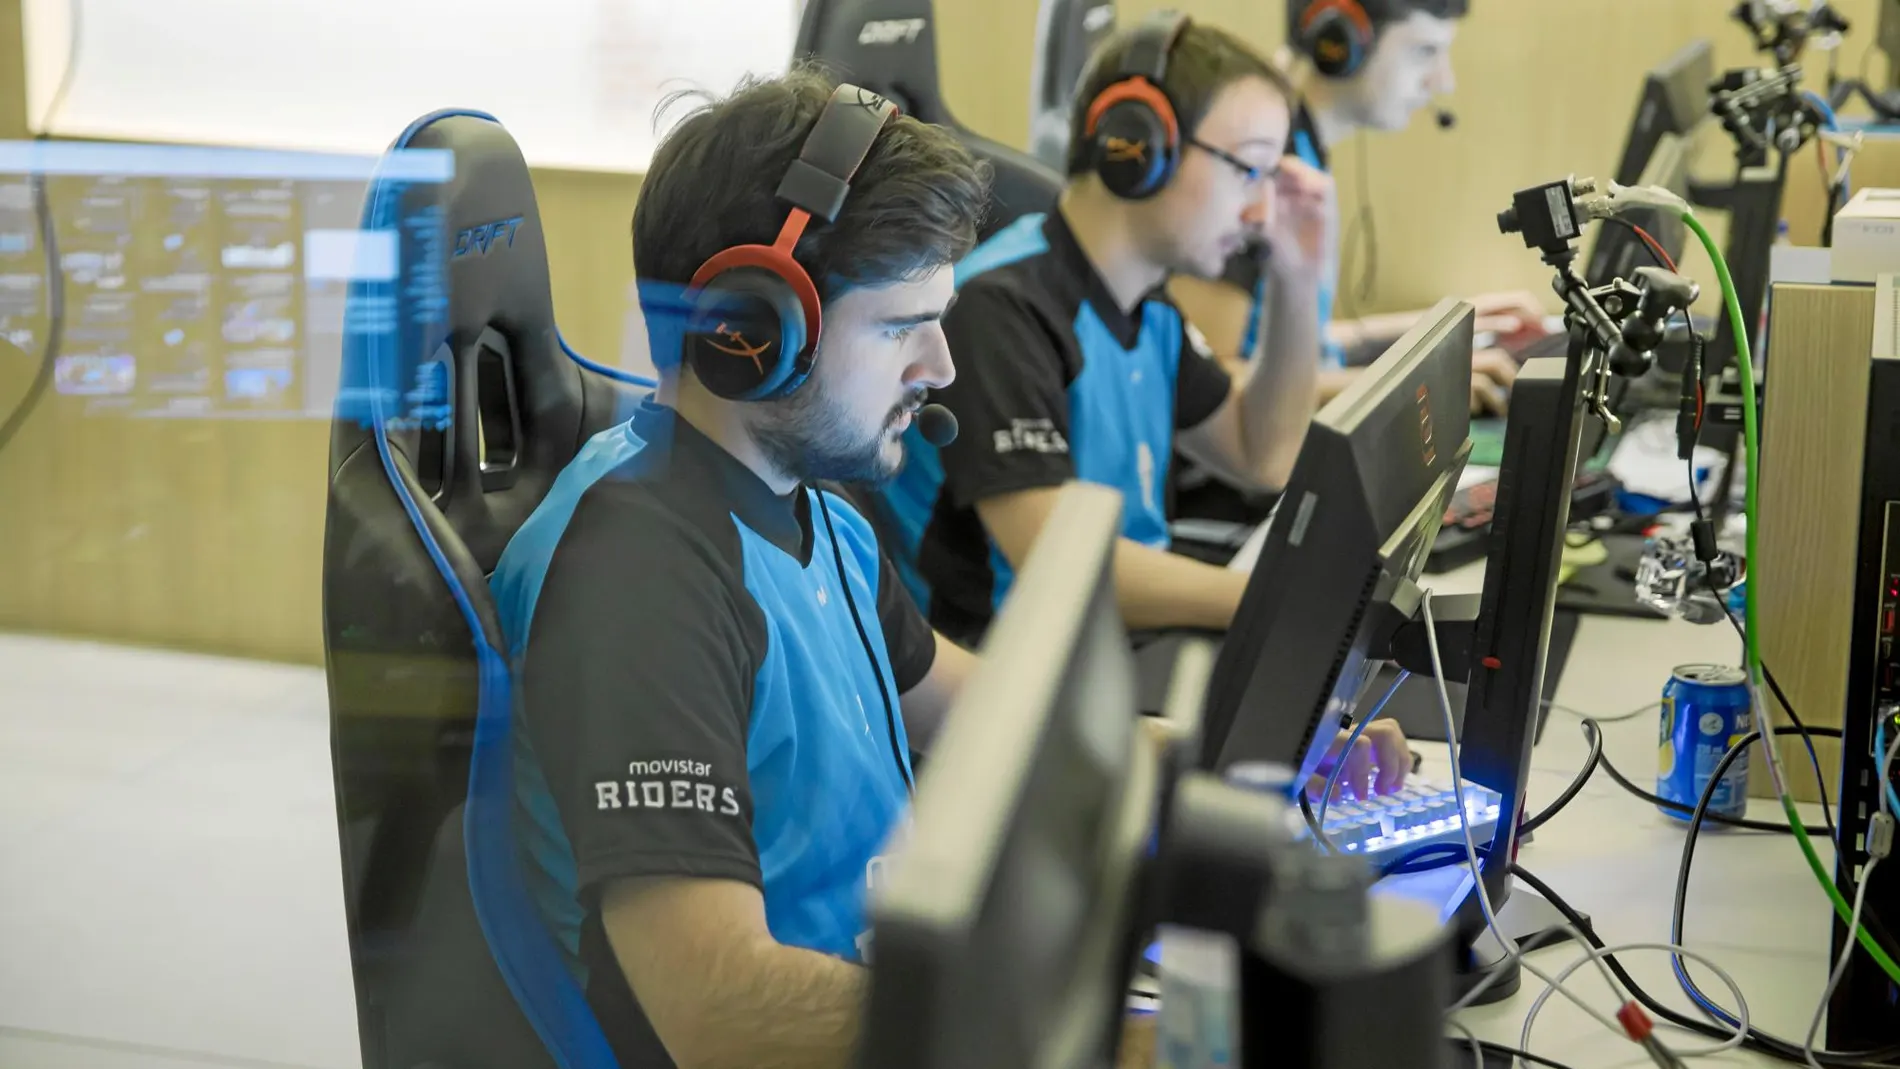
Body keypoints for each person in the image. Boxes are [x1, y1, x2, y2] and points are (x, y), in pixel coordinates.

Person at [486, 68, 990, 1069]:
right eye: (900, 327)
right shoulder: (640, 579)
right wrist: (1042, 1009)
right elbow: (715, 1009)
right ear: (753, 333)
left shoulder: (817, 518)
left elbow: (1000, 714)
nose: (940, 365)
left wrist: (1240, 763)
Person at [877, 13, 1341, 645]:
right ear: (1139, 149)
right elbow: (1060, 570)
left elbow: (1263, 455)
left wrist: (1296, 278)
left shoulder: (1148, 304)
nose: (1262, 212)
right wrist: (1280, 597)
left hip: (1114, 649)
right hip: (1016, 688)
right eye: (1249, 169)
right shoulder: (1002, 310)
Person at [1170, 0, 1551, 414]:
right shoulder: (1260, 170)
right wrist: (1415, 380)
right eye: (1425, 51)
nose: (1444, 81)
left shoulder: (1301, 149)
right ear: (1338, 39)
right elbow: (1212, 375)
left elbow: (1298, 342)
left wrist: (1442, 330)